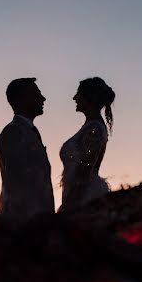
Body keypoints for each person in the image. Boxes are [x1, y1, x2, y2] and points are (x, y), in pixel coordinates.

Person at [0, 77, 54, 224]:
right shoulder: (13, 133)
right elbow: (17, 184)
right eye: (36, 94)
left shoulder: (29, 132)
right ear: (22, 99)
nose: (43, 98)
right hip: (25, 225)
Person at [59, 77, 115, 210]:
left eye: (78, 93)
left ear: (90, 97)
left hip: (83, 195)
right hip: (79, 192)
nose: (74, 98)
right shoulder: (90, 127)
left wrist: (71, 201)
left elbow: (85, 167)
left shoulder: (94, 129)